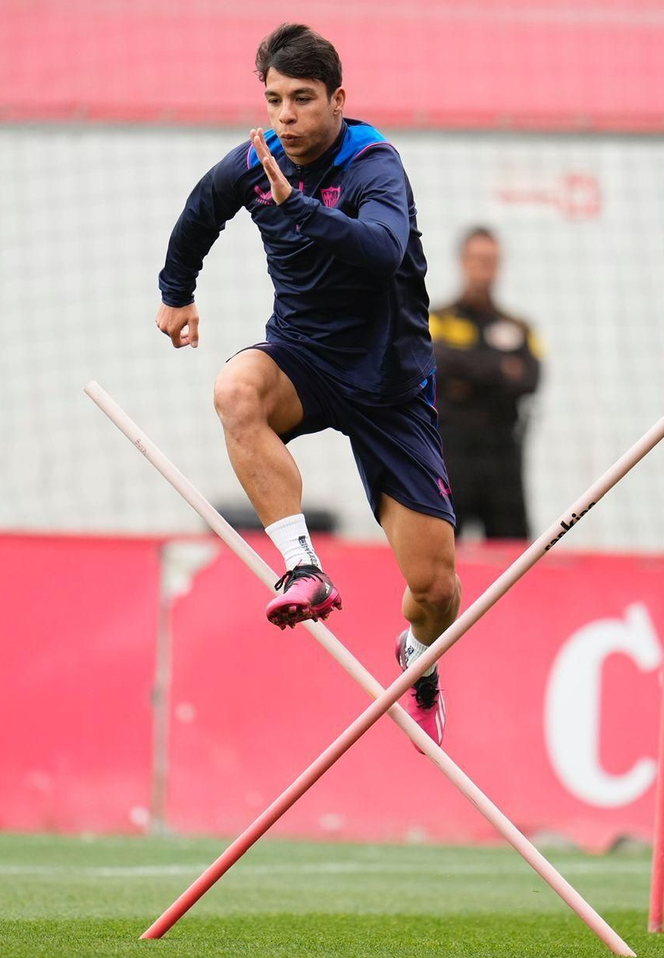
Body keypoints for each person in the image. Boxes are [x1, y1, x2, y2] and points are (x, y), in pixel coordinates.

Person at [153, 25, 457, 744]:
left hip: (389, 385)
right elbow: (200, 211)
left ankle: (418, 654)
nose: (286, 116)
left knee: (436, 589)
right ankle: (301, 564)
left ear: (337, 100)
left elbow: (381, 252)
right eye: (274, 100)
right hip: (304, 360)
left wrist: (299, 209)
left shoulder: (375, 165)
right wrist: (176, 291)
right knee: (235, 390)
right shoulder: (254, 160)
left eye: (302, 100)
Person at [429, 227, 542, 540]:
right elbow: (432, 365)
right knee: (442, 555)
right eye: (477, 259)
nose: (484, 267)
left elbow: (530, 379)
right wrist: (500, 369)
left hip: (503, 455)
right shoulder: (438, 319)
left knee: (513, 556)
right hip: (450, 454)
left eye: (491, 260)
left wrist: (464, 378)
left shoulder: (519, 327)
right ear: (463, 262)